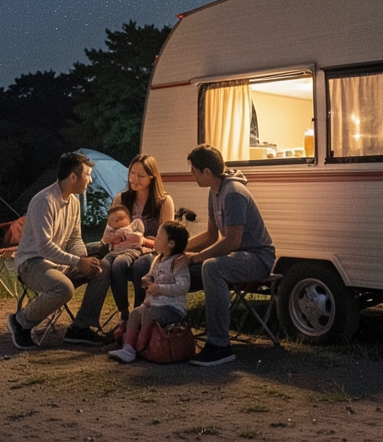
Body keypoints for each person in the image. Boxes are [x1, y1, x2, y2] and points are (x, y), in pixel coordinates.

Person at [7, 152, 111, 349]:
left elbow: (74, 238)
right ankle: (20, 322)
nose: (90, 180)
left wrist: (84, 259)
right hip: (32, 263)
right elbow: (44, 247)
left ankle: (80, 328)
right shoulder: (44, 201)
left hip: (58, 262)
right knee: (64, 288)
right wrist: (78, 262)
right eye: (88, 175)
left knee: (102, 268)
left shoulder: (73, 202)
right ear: (74, 176)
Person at [183, 144, 275, 366]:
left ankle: (220, 345)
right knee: (184, 264)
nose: (191, 174)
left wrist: (195, 258)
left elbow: (232, 241)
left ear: (206, 172)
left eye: (194, 170)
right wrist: (178, 250)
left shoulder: (232, 193)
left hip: (257, 258)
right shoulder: (214, 191)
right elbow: (210, 235)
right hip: (239, 256)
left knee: (211, 267)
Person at [105, 154, 175, 328]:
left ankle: (140, 314)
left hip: (151, 250)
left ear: (152, 177)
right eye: (132, 174)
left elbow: (166, 242)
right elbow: (109, 231)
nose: (134, 179)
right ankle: (124, 315)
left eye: (140, 175)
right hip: (125, 249)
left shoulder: (164, 201)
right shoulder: (122, 199)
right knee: (117, 266)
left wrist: (143, 241)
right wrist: (114, 238)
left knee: (140, 267)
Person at [107, 221, 191, 363]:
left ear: (171, 243)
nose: (154, 239)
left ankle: (142, 347)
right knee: (135, 313)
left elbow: (183, 286)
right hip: (154, 303)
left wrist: (160, 289)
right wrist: (146, 280)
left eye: (158, 236)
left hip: (172, 308)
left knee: (148, 314)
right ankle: (128, 348)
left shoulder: (178, 262)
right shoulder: (158, 259)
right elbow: (150, 275)